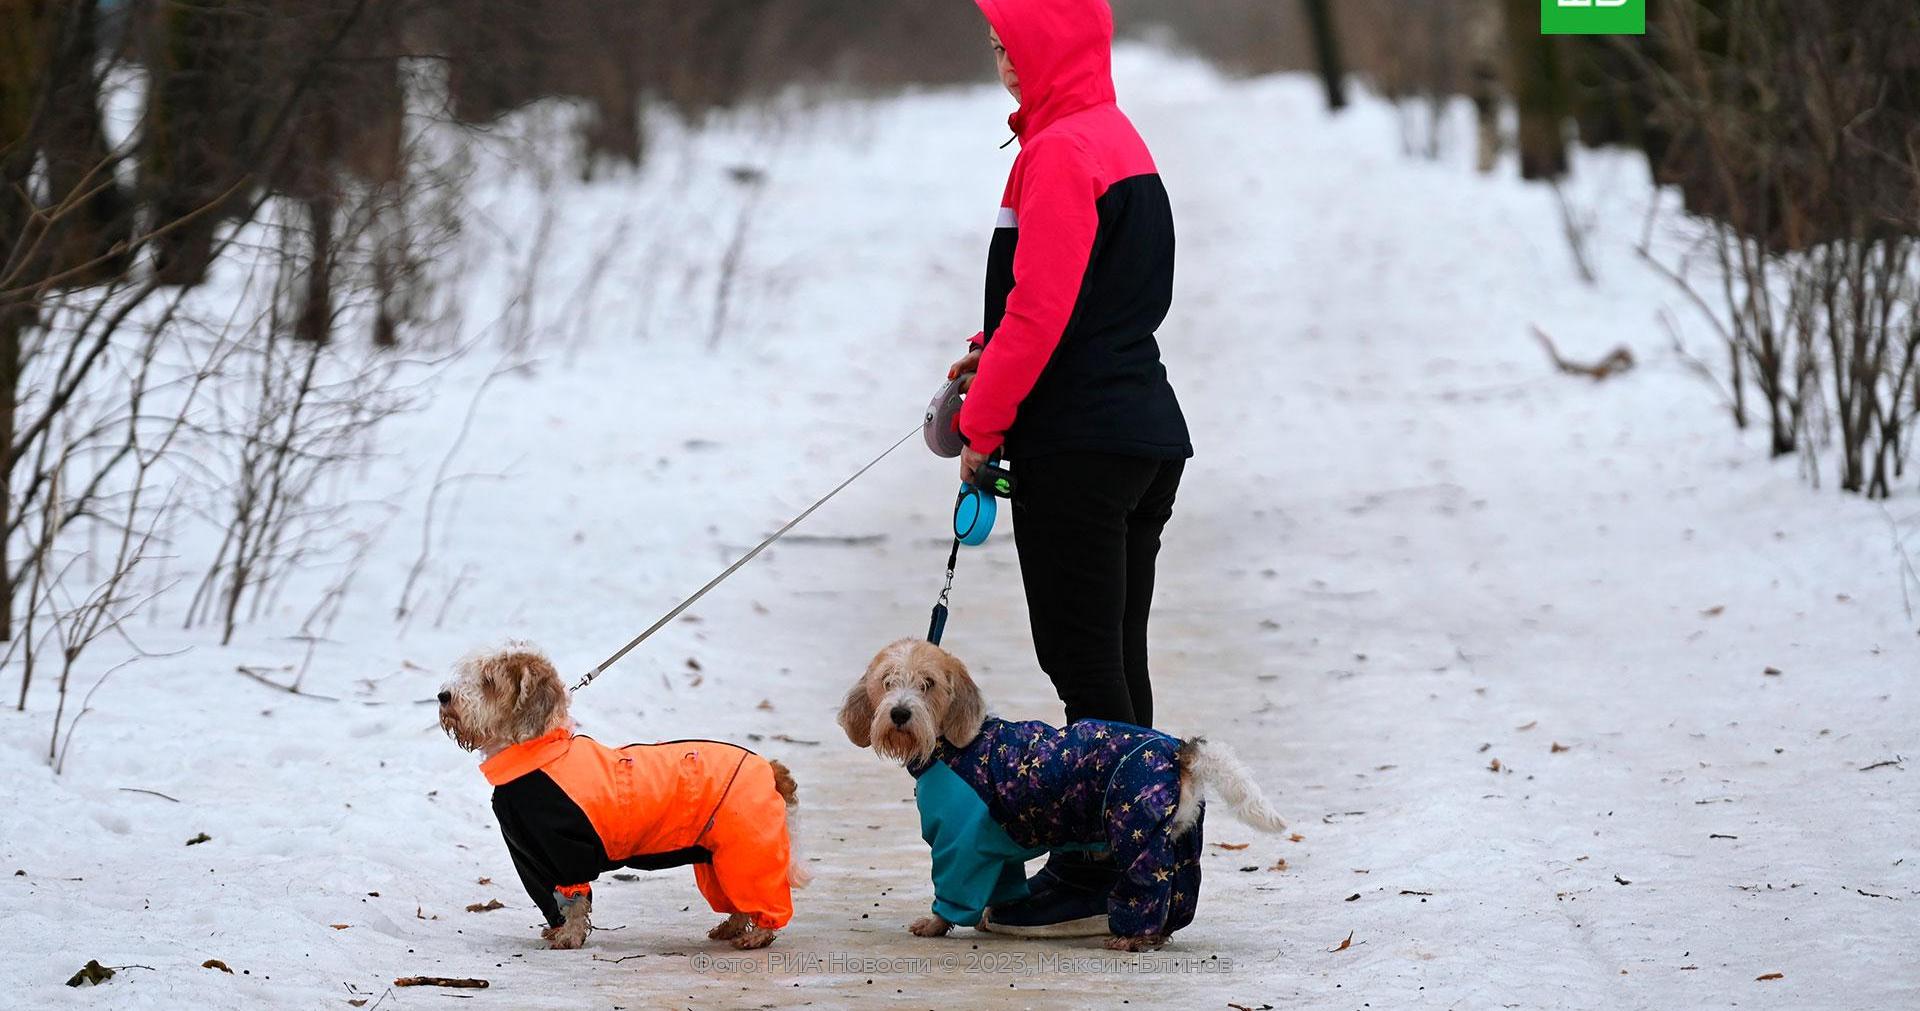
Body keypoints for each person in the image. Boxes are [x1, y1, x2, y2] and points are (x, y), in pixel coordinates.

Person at [944, 0, 1192, 937]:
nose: (1002, 60)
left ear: (1051, 44)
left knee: (1085, 668)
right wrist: (988, 350)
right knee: (1116, 665)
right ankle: (1153, 858)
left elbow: (1042, 315)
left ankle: (1099, 863)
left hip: (1080, 444)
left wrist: (983, 423)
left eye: (1012, 43)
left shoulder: (1056, 155)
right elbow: (1079, 302)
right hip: (1142, 436)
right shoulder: (1115, 137)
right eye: (997, 47)